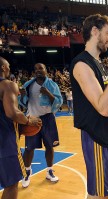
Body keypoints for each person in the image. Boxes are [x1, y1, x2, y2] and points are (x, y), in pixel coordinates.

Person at [70, 14, 108, 199]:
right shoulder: (81, 65)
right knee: (100, 194)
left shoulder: (99, 63)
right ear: (94, 31)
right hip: (97, 138)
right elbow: (103, 108)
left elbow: (106, 98)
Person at [0, 57, 42, 199]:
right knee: (11, 186)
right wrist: (29, 120)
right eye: (8, 65)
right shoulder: (8, 85)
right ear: (3, 68)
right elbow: (12, 113)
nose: (10, 68)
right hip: (5, 143)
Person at [18, 63, 63, 188]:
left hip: (48, 119)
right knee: (29, 148)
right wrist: (22, 96)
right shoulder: (28, 85)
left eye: (41, 68)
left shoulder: (52, 85)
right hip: (32, 119)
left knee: (50, 146)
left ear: (45, 70)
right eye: (36, 69)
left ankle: (49, 171)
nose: (38, 70)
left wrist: (49, 93)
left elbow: (59, 102)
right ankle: (27, 172)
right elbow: (23, 103)